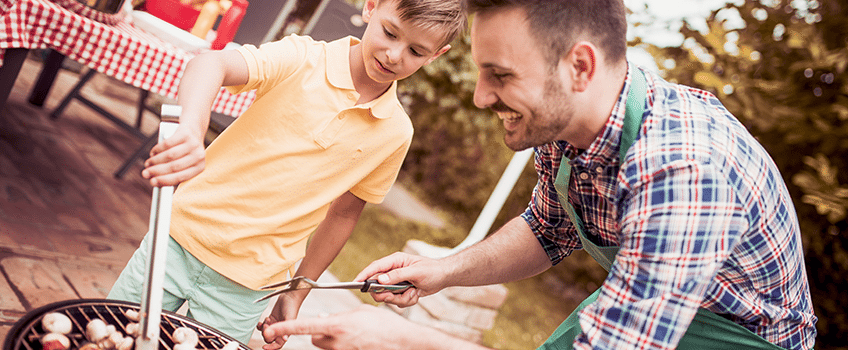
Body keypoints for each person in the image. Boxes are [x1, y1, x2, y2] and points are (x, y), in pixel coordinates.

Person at [262, 0, 818, 349]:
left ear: (580, 66)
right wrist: (442, 270)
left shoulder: (682, 171)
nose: (482, 98)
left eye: (500, 75)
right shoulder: (566, 126)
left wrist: (402, 342)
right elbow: (550, 229)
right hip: (638, 310)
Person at [107, 0, 465, 347]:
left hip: (248, 287)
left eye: (416, 52)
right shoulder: (303, 57)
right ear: (370, 7)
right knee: (111, 333)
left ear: (437, 55)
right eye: (390, 33)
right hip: (177, 240)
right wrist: (192, 127)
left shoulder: (396, 134)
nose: (394, 55)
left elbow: (343, 215)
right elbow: (211, 65)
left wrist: (298, 290)